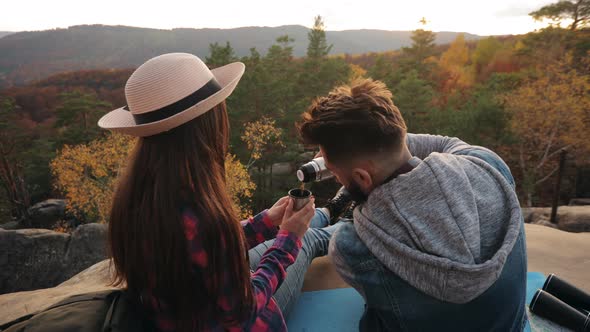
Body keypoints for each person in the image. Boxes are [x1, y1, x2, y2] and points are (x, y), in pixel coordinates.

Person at [98, 52, 339, 331]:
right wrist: (289, 239)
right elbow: (242, 312)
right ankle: (343, 220)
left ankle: (330, 211)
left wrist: (266, 222)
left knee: (297, 232)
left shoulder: (139, 194)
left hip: (180, 315)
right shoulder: (200, 210)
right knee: (305, 241)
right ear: (208, 124)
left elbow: (200, 251)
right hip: (227, 321)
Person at [297, 78, 528, 331]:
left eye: (334, 172)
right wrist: (383, 141)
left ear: (363, 177)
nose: (336, 177)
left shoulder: (351, 247)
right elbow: (445, 143)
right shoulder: (489, 166)